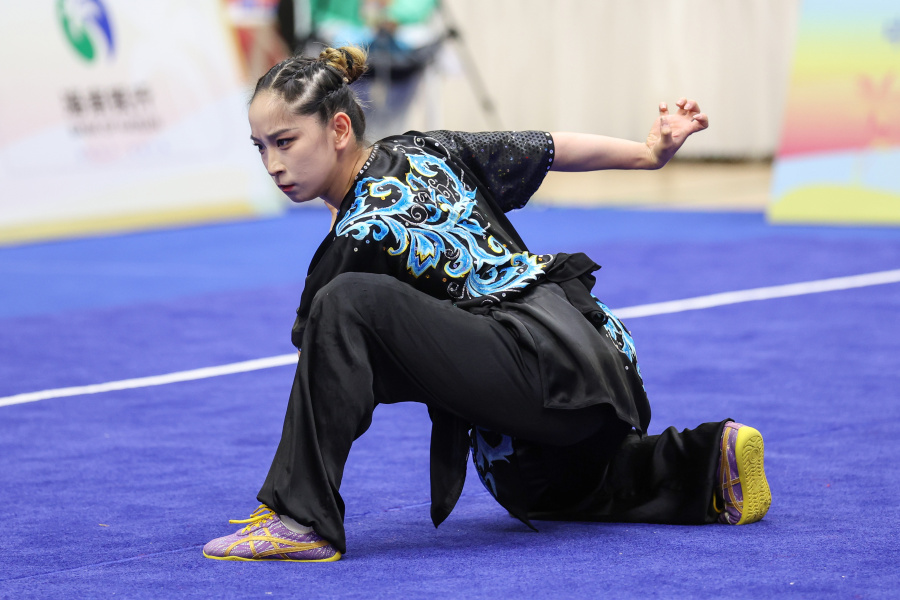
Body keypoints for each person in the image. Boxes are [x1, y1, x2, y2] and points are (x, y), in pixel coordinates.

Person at [202, 46, 771, 563]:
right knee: (521, 483)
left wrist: (339, 241)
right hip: (603, 367)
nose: (272, 165)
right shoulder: (427, 147)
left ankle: (300, 518)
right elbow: (551, 146)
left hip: (540, 369)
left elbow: (322, 347)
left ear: (339, 129)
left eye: (285, 142)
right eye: (260, 148)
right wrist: (648, 153)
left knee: (343, 303)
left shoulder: (361, 230)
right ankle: (705, 457)